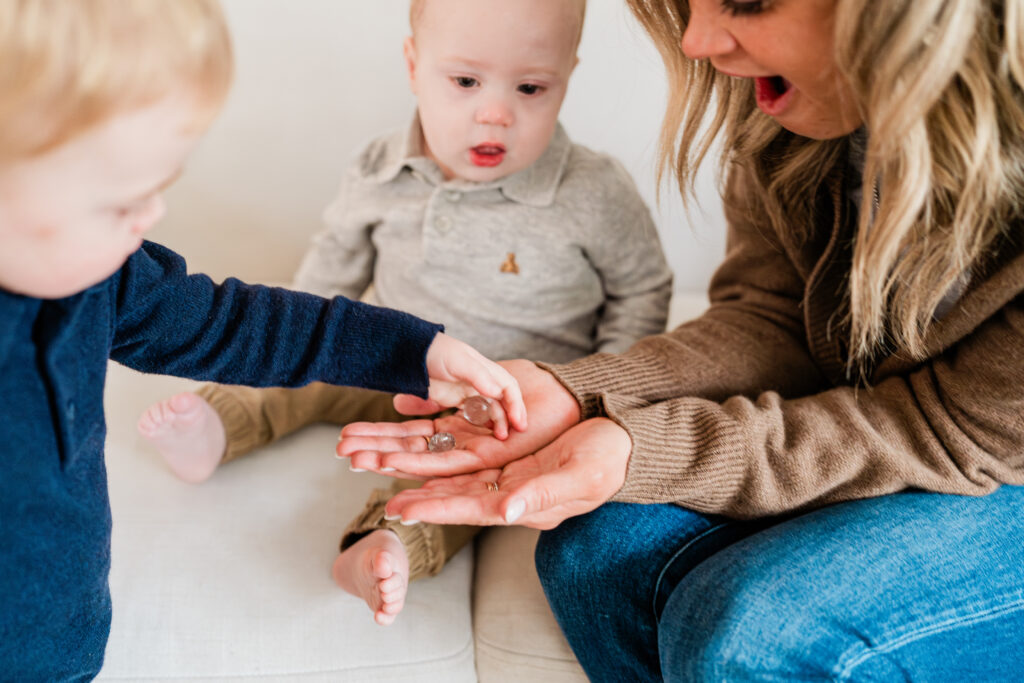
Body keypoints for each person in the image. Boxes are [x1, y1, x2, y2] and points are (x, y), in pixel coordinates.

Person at [339, 0, 1024, 679]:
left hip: (997, 454)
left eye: (748, 4)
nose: (696, 42)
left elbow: (950, 427)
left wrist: (648, 445)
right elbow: (772, 317)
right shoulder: (788, 108)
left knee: (756, 636)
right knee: (590, 552)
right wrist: (575, 393)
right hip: (921, 430)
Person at [0, 2, 530, 679]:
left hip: (64, 645)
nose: (152, 216)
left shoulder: (103, 275)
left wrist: (412, 353)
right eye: (119, 202)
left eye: (159, 188)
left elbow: (237, 323)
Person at [138, 0, 672, 627]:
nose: (496, 112)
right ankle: (220, 424)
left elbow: (642, 291)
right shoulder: (381, 168)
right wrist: (300, 337)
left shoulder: (594, 192)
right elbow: (330, 270)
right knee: (309, 374)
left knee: (453, 484)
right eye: (465, 82)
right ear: (415, 66)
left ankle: (383, 543)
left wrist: (596, 391)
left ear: (567, 75)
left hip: (503, 409)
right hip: (386, 358)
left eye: (531, 87)